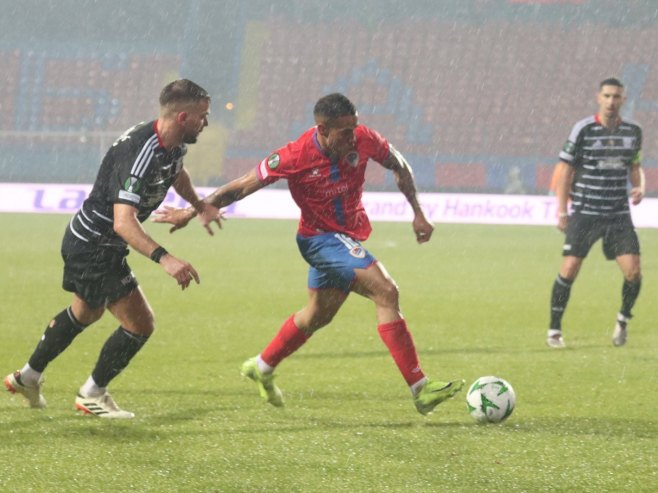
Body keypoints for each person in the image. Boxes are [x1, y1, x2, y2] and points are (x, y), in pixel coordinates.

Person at [154, 93, 464, 415]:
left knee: (317, 316)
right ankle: (420, 388)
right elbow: (242, 186)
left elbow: (398, 165)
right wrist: (192, 212)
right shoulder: (294, 155)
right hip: (319, 239)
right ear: (322, 129)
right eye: (344, 131)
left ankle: (262, 365)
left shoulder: (364, 138)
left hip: (345, 235)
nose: (352, 136)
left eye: (354, 127)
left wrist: (418, 212)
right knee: (386, 291)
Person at [4, 79, 221, 418]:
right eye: (202, 116)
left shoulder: (173, 143)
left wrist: (197, 204)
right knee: (141, 324)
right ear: (182, 117)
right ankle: (92, 393)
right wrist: (166, 259)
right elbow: (123, 222)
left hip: (93, 242)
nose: (206, 123)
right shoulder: (141, 151)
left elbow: (176, 172)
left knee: (84, 312)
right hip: (95, 245)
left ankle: (28, 377)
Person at [547, 77, 644, 348]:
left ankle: (623, 319)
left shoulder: (633, 131)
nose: (611, 101)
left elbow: (635, 165)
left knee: (634, 272)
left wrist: (639, 186)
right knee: (569, 269)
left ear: (623, 100)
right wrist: (562, 211)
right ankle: (554, 330)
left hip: (617, 214)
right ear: (598, 98)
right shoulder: (583, 129)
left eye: (616, 97)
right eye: (607, 96)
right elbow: (565, 171)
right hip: (586, 213)